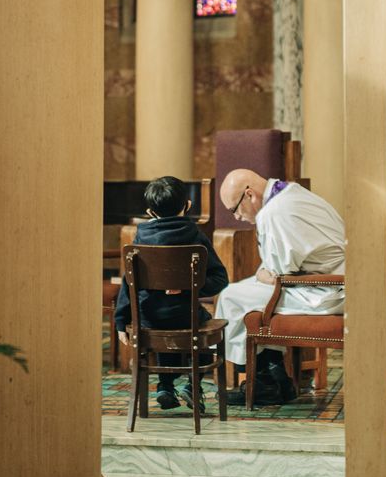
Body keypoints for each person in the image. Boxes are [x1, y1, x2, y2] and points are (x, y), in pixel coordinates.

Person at [214, 168, 345, 405]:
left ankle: (264, 382)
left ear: (250, 195)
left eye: (235, 209)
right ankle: (278, 378)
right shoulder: (294, 192)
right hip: (332, 281)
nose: (237, 217)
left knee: (231, 297)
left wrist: (264, 274)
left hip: (325, 289)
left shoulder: (274, 212)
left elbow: (277, 274)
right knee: (246, 291)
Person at [113, 175, 229, 412]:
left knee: (165, 323)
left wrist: (120, 320)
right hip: (186, 317)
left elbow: (129, 283)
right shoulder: (196, 236)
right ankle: (192, 384)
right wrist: (190, 286)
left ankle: (165, 386)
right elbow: (220, 279)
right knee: (200, 324)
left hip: (148, 318)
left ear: (150, 211)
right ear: (187, 205)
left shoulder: (140, 239)